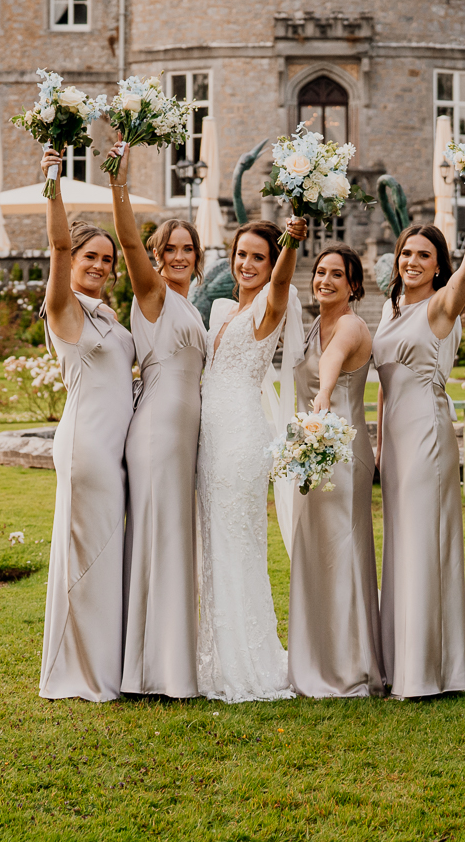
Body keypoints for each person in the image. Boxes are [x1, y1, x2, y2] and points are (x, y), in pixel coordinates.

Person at [373, 192, 465, 697]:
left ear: (439, 265)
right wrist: (380, 448)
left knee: (426, 543)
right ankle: (402, 660)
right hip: (397, 441)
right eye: (407, 253)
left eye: (425, 255)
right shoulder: (387, 307)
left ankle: (429, 670)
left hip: (427, 430)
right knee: (402, 545)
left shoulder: (443, 307)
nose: (412, 261)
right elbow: (382, 387)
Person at [36, 147, 136, 702]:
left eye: (105, 260)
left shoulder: (111, 318)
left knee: (108, 554)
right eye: (88, 258)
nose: (98, 266)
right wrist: (53, 180)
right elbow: (55, 243)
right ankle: (82, 674)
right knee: (86, 556)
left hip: (115, 450)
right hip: (86, 448)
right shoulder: (64, 308)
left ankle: (107, 666)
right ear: (72, 262)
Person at [196, 215, 306, 702]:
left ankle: (245, 665)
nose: (247, 264)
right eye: (242, 254)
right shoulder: (220, 310)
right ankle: (215, 654)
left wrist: (291, 244)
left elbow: (282, 279)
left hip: (241, 437)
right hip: (209, 436)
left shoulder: (270, 305)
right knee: (213, 543)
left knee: (236, 543)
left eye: (257, 257)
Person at [108, 151, 204, 699]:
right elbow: (127, 244)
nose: (178, 256)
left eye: (188, 248)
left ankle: (167, 663)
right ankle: (151, 672)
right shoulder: (154, 294)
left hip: (182, 433)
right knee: (158, 541)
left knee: (173, 542)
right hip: (158, 429)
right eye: (169, 248)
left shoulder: (192, 307)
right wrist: (120, 183)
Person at [286, 244, 383, 698]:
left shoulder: (350, 324)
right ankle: (314, 661)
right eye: (320, 272)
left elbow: (334, 359)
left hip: (343, 455)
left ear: (353, 286)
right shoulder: (311, 328)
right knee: (314, 552)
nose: (324, 280)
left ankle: (350, 669)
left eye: (335, 275)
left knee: (342, 552)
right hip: (313, 451)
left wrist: (324, 394)